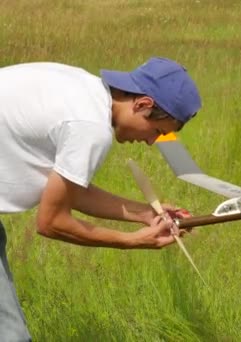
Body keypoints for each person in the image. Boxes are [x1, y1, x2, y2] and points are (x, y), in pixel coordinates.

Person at [0, 57, 202, 340]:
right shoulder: (90, 128)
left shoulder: (84, 89)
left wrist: (143, 213)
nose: (150, 142)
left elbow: (67, 190)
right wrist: (134, 241)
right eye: (157, 131)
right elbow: (51, 222)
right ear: (143, 104)